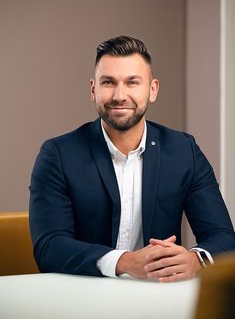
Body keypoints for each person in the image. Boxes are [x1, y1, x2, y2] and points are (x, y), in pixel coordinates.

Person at [29, 35, 235, 282]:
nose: (119, 95)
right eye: (108, 82)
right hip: (81, 295)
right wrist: (125, 261)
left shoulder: (184, 151)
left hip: (157, 295)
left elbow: (223, 237)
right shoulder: (58, 155)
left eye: (132, 82)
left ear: (152, 89)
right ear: (93, 90)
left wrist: (196, 259)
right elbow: (49, 247)